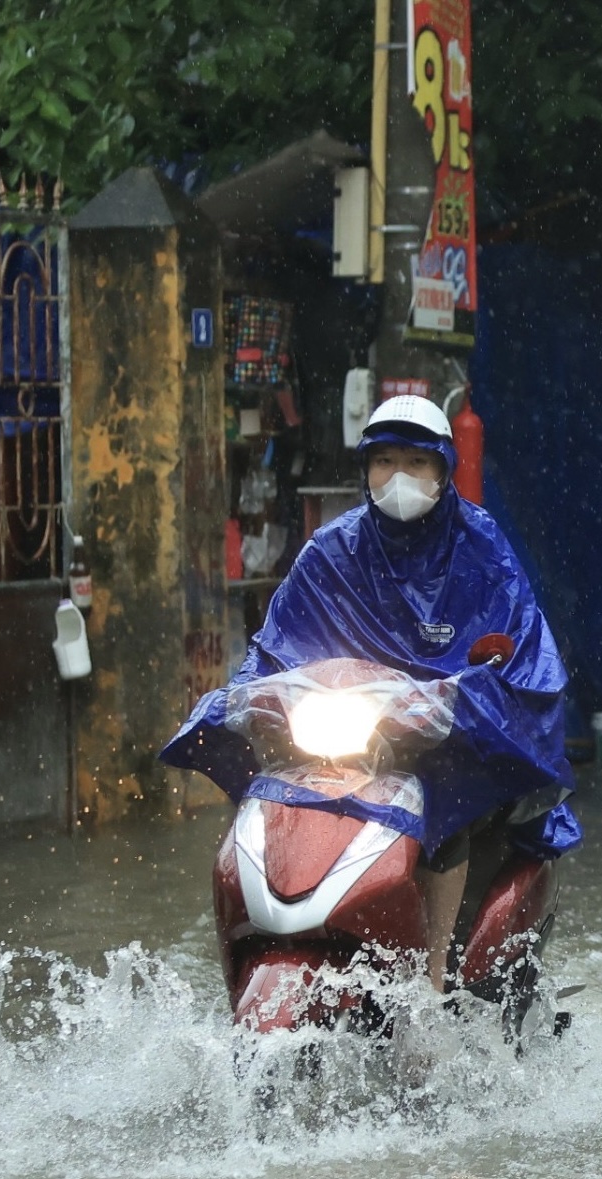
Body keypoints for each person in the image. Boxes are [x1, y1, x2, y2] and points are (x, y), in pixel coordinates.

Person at [161, 395, 580, 990]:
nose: (399, 478)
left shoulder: (482, 552)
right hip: (348, 741)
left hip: (441, 746)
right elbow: (274, 647)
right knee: (269, 800)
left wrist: (459, 700)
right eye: (384, 461)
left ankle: (429, 991)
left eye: (416, 462)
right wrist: (244, 696)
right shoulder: (333, 552)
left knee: (443, 809)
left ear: (442, 469)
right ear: (365, 469)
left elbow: (523, 661)